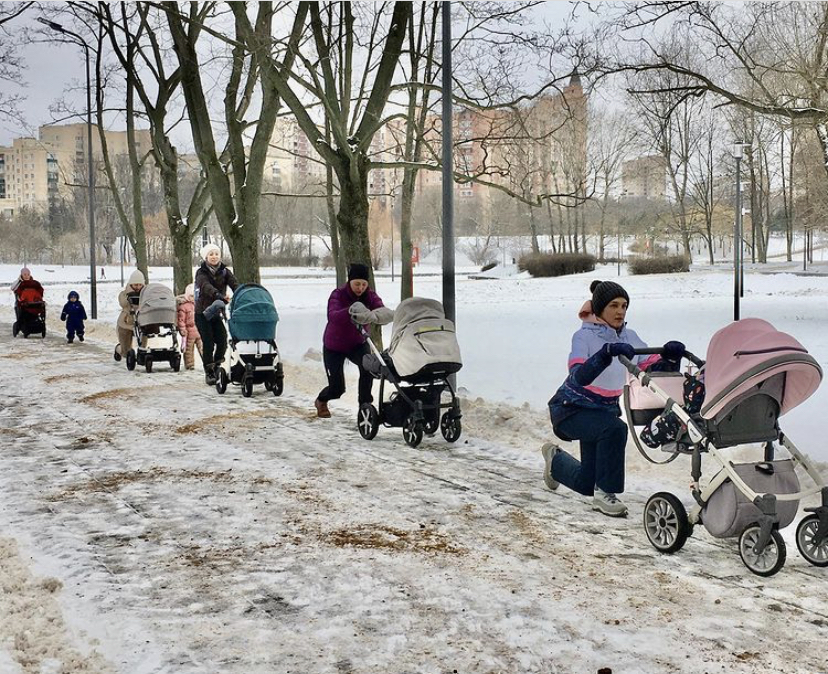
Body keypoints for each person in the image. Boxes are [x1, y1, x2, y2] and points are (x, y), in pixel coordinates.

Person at [543, 280, 685, 517]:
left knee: (587, 483)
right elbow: (578, 376)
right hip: (570, 410)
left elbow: (649, 366)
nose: (620, 311)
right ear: (599, 309)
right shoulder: (583, 337)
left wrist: (670, 358)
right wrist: (605, 354)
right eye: (614, 305)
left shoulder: (629, 336)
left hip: (602, 413)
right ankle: (606, 494)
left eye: (624, 306)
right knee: (615, 430)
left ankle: (554, 461)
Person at [314, 263, 394, 418]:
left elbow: (379, 308)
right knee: (337, 389)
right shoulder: (338, 294)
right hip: (334, 346)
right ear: (350, 281)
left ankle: (364, 407)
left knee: (368, 369)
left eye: (364, 284)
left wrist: (383, 314)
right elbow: (333, 316)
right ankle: (321, 400)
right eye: (357, 284)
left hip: (358, 343)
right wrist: (351, 311)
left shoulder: (370, 296)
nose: (360, 288)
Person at [194, 243, 238, 385]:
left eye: (216, 254)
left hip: (216, 312)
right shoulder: (201, 273)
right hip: (202, 313)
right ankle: (209, 371)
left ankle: (217, 365)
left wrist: (241, 293)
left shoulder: (225, 271)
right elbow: (206, 286)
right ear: (206, 257)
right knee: (208, 342)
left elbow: (234, 284)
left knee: (222, 340)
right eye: (211, 254)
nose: (214, 257)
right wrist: (219, 295)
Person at [114, 269, 145, 362]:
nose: (138, 287)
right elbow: (123, 303)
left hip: (140, 321)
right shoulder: (124, 294)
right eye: (135, 285)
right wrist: (129, 296)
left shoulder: (145, 294)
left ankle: (142, 354)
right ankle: (118, 349)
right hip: (127, 323)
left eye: (140, 285)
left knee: (144, 342)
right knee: (125, 352)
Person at [176, 283, 203, 370]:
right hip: (189, 331)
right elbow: (181, 320)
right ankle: (189, 364)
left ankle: (207, 361)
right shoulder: (184, 307)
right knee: (188, 349)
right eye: (191, 296)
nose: (193, 298)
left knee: (203, 347)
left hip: (199, 330)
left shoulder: (199, 305)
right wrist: (182, 329)